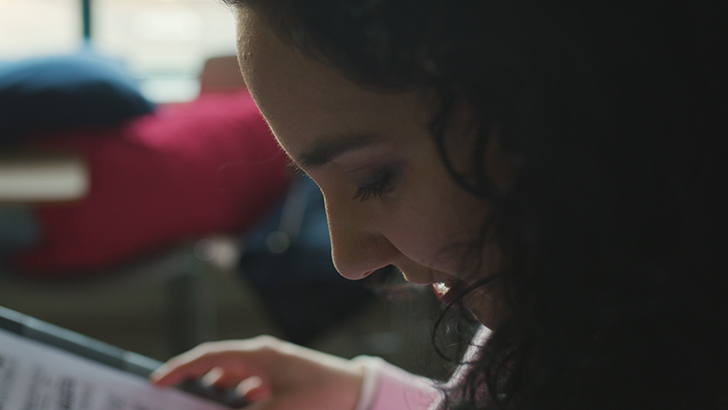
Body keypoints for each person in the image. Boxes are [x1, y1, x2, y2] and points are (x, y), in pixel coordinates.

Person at [150, 1, 728, 409]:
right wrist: (366, 396)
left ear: (565, 106)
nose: (348, 259)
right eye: (310, 182)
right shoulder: (561, 316)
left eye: (373, 178)